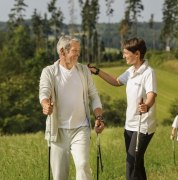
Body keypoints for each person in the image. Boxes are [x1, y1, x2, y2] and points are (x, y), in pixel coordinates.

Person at [88, 37, 157, 180]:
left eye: (126, 53)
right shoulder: (131, 71)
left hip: (142, 126)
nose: (123, 56)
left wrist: (147, 106)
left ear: (137, 54)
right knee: (137, 164)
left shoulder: (148, 72)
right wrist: (97, 71)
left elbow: (151, 95)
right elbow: (116, 81)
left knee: (131, 164)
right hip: (129, 126)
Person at [39, 35, 105, 180]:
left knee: (82, 165)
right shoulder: (49, 72)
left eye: (78, 50)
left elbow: (94, 96)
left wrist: (99, 117)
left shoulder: (83, 71)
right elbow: (44, 92)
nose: (78, 54)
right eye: (75, 51)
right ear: (63, 52)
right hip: (57, 131)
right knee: (59, 175)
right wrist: (45, 105)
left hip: (81, 128)